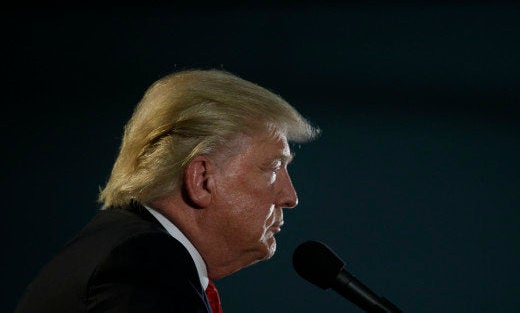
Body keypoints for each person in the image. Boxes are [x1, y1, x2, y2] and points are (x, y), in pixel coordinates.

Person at [15, 69, 319, 312]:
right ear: (202, 180)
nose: (290, 197)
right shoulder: (142, 264)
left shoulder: (129, 248)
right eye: (274, 167)